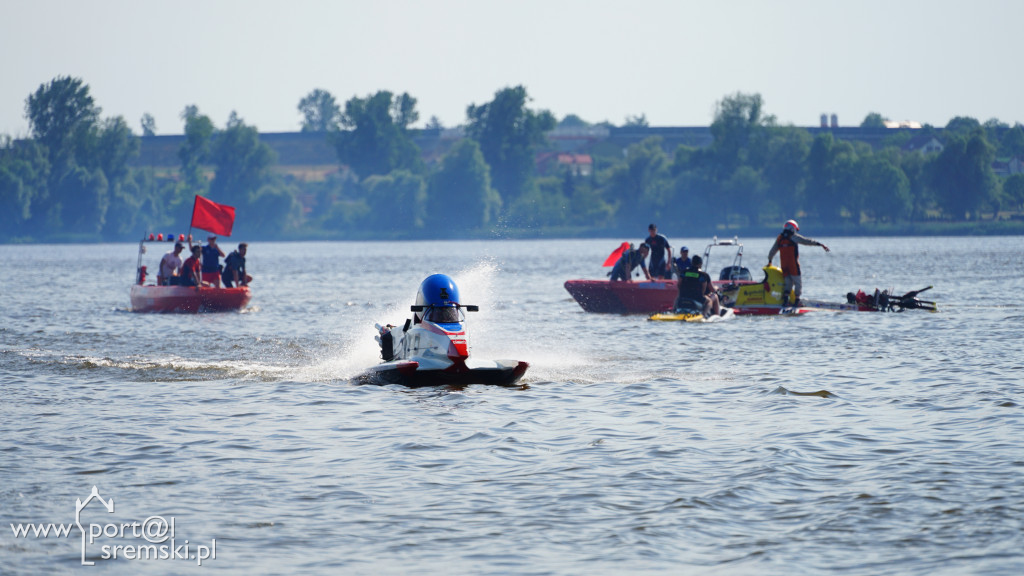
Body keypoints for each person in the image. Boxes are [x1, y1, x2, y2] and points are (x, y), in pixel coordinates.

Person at [767, 219, 830, 306]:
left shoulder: (780, 238)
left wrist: (770, 260)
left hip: (784, 265)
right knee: (798, 282)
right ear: (793, 228)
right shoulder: (793, 237)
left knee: (788, 282)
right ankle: (797, 301)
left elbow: (772, 251)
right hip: (793, 265)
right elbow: (806, 241)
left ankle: (785, 300)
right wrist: (820, 244)